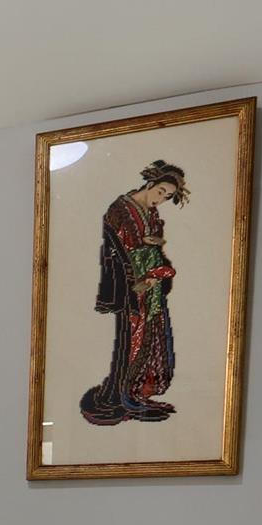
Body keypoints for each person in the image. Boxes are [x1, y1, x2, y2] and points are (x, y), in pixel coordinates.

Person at [80, 160, 186, 426]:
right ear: (150, 184)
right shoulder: (121, 209)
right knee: (132, 340)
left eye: (168, 197)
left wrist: (155, 261)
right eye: (161, 191)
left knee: (150, 339)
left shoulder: (150, 214)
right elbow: (116, 249)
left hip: (149, 284)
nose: (161, 199)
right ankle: (124, 397)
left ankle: (138, 393)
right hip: (129, 284)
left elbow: (152, 245)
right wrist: (142, 263)